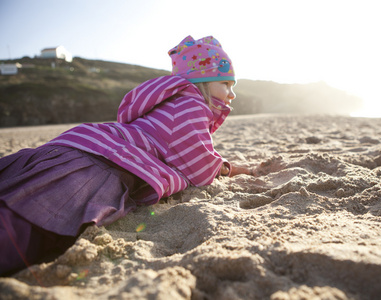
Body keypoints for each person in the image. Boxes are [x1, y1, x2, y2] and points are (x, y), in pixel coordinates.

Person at [0, 35, 248, 276]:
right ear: (203, 82)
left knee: (17, 188)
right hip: (100, 165)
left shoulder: (169, 101)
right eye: (225, 83)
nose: (231, 93)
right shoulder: (192, 106)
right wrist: (233, 168)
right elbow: (201, 166)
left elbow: (184, 147)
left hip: (78, 147)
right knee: (32, 222)